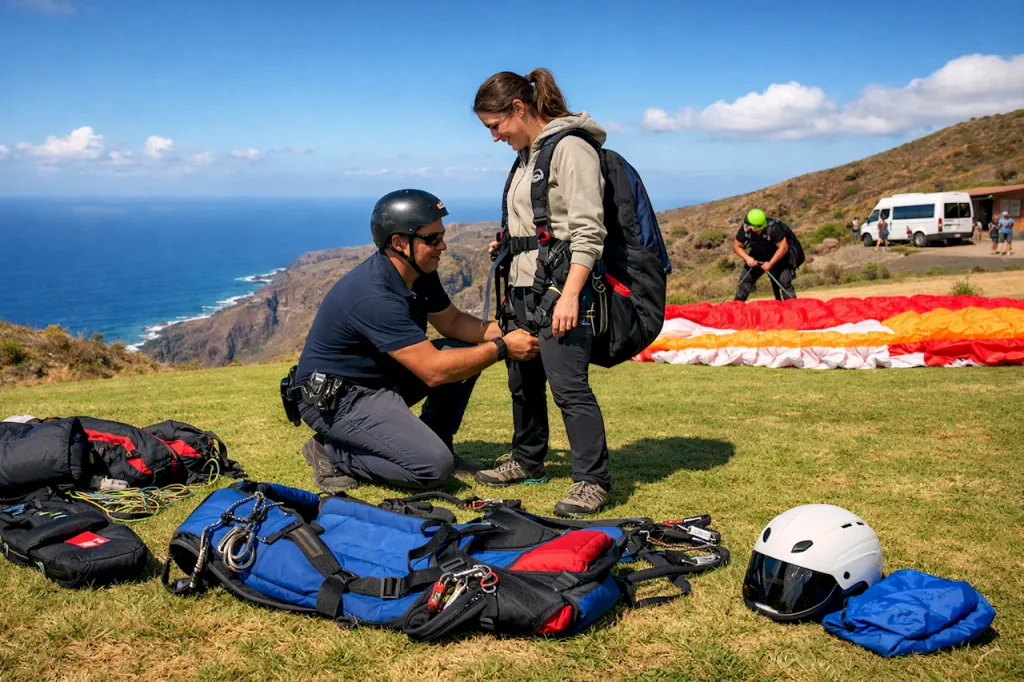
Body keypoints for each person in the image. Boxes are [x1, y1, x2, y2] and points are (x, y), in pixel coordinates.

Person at [292, 189, 539, 493]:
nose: (443, 246)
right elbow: (434, 371)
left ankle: (438, 440)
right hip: (336, 400)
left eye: (442, 235)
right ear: (399, 243)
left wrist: (513, 332)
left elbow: (452, 322)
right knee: (433, 469)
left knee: (461, 351)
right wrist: (502, 348)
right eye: (433, 239)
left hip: (376, 383)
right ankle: (331, 452)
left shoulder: (418, 272)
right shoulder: (374, 294)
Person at [471, 68, 612, 517]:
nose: (494, 137)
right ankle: (528, 459)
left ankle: (593, 481)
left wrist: (571, 295)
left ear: (518, 108)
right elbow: (538, 222)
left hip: (562, 289)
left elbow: (589, 231)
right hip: (522, 287)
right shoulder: (528, 155)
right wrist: (511, 242)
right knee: (523, 382)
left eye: (496, 126)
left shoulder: (571, 148)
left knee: (568, 387)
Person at [733, 208, 796, 301]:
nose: (747, 227)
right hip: (757, 257)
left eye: (750, 226)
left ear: (757, 227)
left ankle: (793, 310)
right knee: (744, 282)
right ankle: (736, 308)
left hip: (779, 258)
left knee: (785, 284)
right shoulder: (745, 228)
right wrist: (747, 258)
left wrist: (770, 263)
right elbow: (736, 246)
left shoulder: (774, 228)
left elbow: (783, 248)